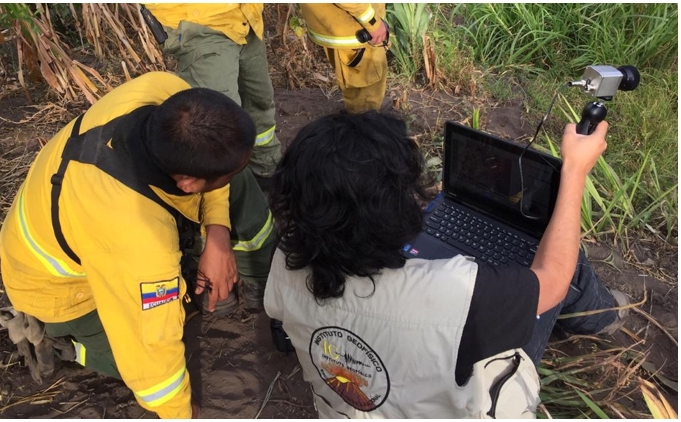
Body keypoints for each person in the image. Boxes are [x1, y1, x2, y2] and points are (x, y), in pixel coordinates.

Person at [263, 112, 630, 418]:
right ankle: (605, 317)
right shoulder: (454, 290)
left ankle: (602, 315)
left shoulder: (284, 261)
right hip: (460, 408)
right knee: (560, 254)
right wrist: (575, 172)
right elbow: (552, 278)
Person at [0, 71, 259, 419]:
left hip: (68, 218)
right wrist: (181, 412)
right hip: (57, 290)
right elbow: (152, 355)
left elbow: (216, 167)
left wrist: (218, 234)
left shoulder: (168, 94)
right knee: (135, 359)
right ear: (188, 182)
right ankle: (64, 343)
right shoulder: (139, 238)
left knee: (234, 172)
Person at [143, 3, 279, 313]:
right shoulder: (131, 208)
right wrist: (216, 238)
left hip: (244, 18)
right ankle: (214, 277)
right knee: (214, 144)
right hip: (200, 21)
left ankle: (265, 185)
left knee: (249, 120)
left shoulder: (156, 90)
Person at [298, 3, 390, 114]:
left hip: (342, 24)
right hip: (356, 30)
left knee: (361, 90)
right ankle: (364, 125)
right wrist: (373, 23)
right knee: (365, 97)